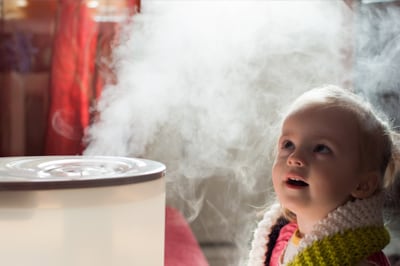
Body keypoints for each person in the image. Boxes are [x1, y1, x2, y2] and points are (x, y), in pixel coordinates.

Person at [247, 85, 400, 266]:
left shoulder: (360, 260)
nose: (295, 158)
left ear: (362, 185)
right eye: (288, 144)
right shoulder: (279, 239)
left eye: (321, 148)